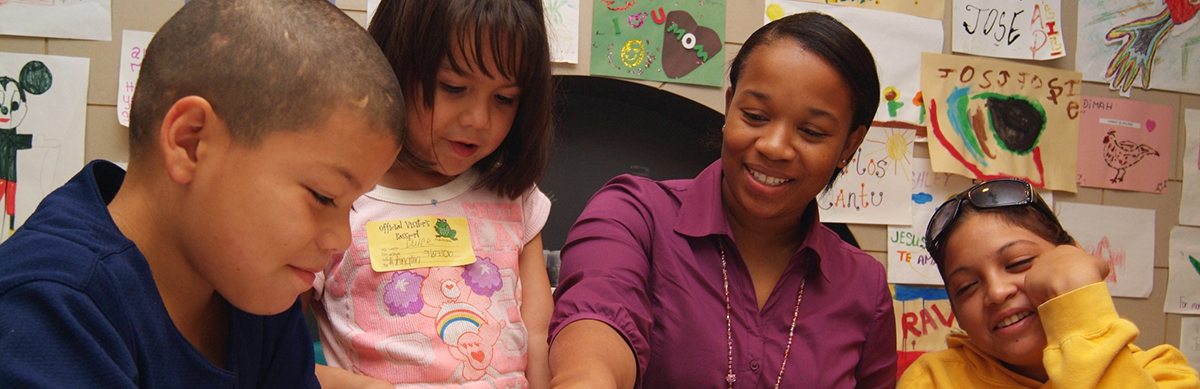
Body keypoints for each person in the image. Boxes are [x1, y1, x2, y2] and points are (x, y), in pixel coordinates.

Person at [0, 0, 405, 387]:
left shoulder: (253, 282)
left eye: (351, 206)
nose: (341, 240)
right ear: (191, 143)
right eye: (323, 196)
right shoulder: (52, 307)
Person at [547, 12, 895, 389]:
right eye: (755, 115)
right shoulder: (634, 214)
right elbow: (595, 333)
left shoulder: (865, 285)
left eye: (811, 132)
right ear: (729, 107)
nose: (774, 146)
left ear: (849, 144)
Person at [308, 0, 556, 387]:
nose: (479, 119)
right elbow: (273, 359)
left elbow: (538, 337)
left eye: (504, 98)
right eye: (454, 87)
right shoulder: (337, 196)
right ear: (393, 66)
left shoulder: (515, 197)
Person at [897, 178, 1200, 388]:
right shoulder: (933, 381)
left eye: (1017, 263)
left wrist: (1081, 311)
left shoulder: (1160, 372)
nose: (997, 292)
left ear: (1073, 254)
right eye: (966, 288)